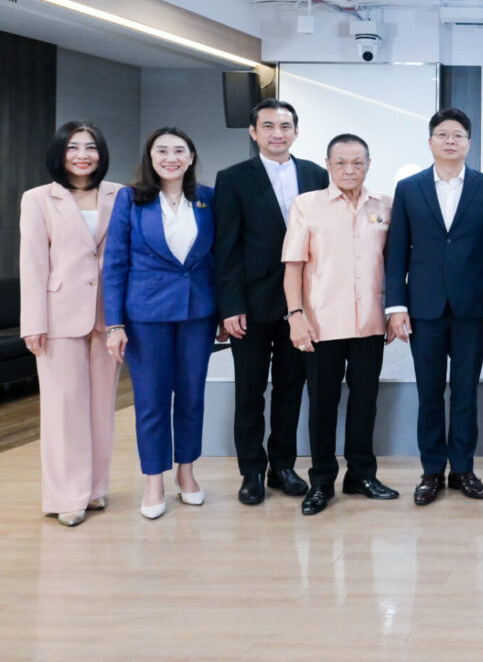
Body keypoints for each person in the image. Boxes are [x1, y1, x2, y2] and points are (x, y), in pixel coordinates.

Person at [386, 108, 483, 506]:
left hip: (472, 308)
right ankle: (432, 471)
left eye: (457, 135)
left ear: (469, 143)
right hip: (424, 308)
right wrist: (396, 306)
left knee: (466, 392)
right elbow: (397, 251)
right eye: (442, 134)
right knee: (430, 393)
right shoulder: (409, 188)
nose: (450, 140)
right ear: (430, 141)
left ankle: (464, 470)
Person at [214, 98, 328, 505]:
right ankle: (251, 471)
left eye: (285, 126)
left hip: (302, 306)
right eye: (268, 126)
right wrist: (229, 306)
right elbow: (225, 248)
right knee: (249, 391)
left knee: (290, 388)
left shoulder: (317, 174)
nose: (277, 133)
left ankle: (282, 466)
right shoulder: (232, 178)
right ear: (253, 132)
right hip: (250, 305)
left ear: (296, 131)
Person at [103, 127, 219, 520]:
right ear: (150, 157)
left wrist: (223, 311)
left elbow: (218, 258)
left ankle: (186, 472)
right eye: (162, 151)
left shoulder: (207, 198)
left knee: (191, 396)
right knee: (151, 400)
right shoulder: (130, 198)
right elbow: (115, 263)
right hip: (146, 316)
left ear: (191, 157)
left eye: (179, 151)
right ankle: (154, 479)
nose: (171, 158)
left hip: (197, 313)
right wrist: (114, 324)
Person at [282, 133, 399, 515]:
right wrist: (296, 316)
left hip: (370, 324)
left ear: (368, 165)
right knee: (322, 405)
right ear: (328, 165)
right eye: (341, 163)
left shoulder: (385, 205)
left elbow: (394, 263)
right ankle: (321, 481)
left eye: (358, 163)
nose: (350, 170)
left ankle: (361, 475)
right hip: (321, 324)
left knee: (365, 403)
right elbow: (293, 267)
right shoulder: (307, 205)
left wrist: (395, 311)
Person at [19, 121, 122, 527]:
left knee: (101, 407)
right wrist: (33, 321)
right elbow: (32, 263)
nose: (82, 155)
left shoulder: (120, 195)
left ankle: (94, 489)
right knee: (64, 409)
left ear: (101, 153)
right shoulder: (38, 199)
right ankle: (66, 496)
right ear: (59, 153)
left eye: (90, 147)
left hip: (109, 316)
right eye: (73, 147)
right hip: (58, 314)